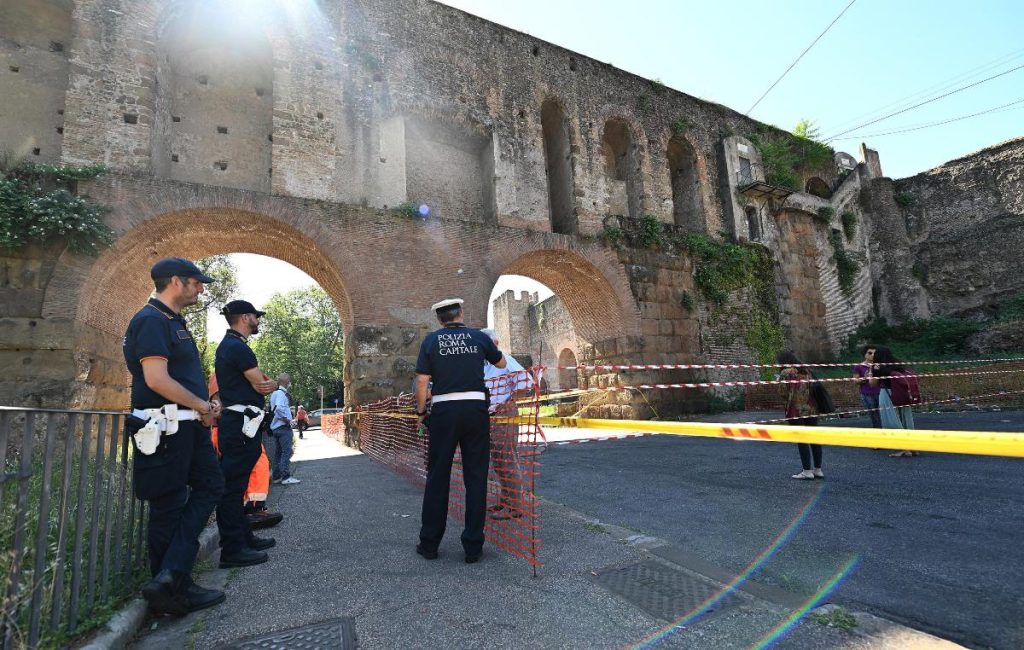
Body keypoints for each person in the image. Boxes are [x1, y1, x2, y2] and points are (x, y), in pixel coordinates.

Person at [123, 257, 225, 616]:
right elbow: (156, 379)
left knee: (211, 485)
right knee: (168, 505)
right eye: (197, 282)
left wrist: (200, 409)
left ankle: (171, 575)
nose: (201, 288)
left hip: (187, 425)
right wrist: (202, 404)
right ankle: (171, 589)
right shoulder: (150, 320)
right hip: (166, 426)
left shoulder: (170, 321)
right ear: (177, 282)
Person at [414, 298, 505, 564]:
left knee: (438, 476)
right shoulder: (478, 337)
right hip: (476, 410)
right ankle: (473, 547)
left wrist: (421, 412)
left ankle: (430, 544)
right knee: (476, 476)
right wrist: (487, 351)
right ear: (461, 313)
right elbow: (500, 364)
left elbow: (422, 381)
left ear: (439, 320)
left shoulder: (431, 341)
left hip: (444, 412)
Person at [214, 300, 279, 569]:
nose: (258, 320)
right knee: (232, 488)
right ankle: (232, 548)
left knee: (238, 486)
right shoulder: (236, 347)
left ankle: (243, 538)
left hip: (242, 424)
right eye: (255, 316)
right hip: (239, 425)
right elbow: (262, 384)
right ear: (244, 317)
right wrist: (271, 383)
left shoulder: (233, 346)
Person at [208, 372, 282, 530]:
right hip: (233, 430)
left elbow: (268, 383)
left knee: (250, 468)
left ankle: (248, 511)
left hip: (238, 430)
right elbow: (217, 402)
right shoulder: (222, 374)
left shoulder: (237, 371)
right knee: (255, 466)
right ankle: (253, 510)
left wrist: (273, 384)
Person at [480, 328, 533, 520]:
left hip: (503, 414)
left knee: (507, 460)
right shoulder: (485, 363)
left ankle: (515, 507)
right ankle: (506, 501)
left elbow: (526, 382)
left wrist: (508, 402)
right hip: (490, 416)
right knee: (499, 461)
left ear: (494, 343)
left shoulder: (505, 359)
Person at [777, 350, 825, 480]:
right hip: (812, 408)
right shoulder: (806, 370)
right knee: (814, 438)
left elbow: (782, 392)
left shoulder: (786, 372)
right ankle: (818, 469)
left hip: (795, 410)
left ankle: (807, 471)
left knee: (802, 439)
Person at [869, 345, 918, 458]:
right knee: (905, 418)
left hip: (887, 394)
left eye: (874, 354)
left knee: (891, 419)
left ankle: (903, 448)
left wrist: (871, 373)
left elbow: (873, 384)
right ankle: (912, 446)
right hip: (902, 393)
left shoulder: (877, 366)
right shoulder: (897, 363)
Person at [269, 374, 301, 484]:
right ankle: (286, 477)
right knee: (286, 451)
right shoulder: (281, 394)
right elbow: (278, 409)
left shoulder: (274, 393)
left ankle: (277, 476)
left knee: (278, 453)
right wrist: (288, 420)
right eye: (289, 381)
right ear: (286, 382)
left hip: (276, 428)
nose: (290, 383)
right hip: (283, 427)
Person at [853, 345, 882, 428]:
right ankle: (877, 431)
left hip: (881, 392)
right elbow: (855, 381)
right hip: (867, 394)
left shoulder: (878, 365)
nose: (872, 355)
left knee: (882, 413)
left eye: (874, 353)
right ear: (865, 354)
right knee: (873, 414)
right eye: (870, 353)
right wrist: (864, 378)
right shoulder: (859, 366)